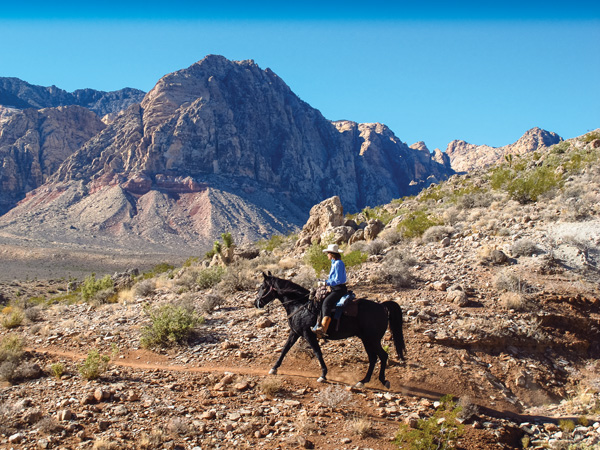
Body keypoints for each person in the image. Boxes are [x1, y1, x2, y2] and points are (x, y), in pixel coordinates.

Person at [312, 243, 347, 337]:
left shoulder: (338, 263)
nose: (327, 255)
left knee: (326, 303)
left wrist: (326, 283)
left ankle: (323, 329)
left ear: (332, 254)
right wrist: (325, 281)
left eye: (328, 253)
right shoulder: (334, 263)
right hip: (335, 288)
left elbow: (338, 280)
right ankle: (318, 324)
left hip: (339, 289)